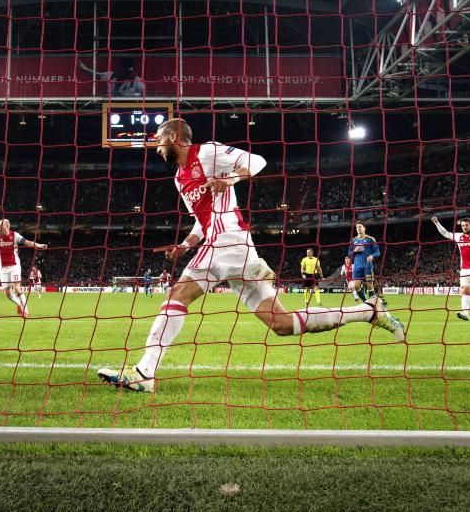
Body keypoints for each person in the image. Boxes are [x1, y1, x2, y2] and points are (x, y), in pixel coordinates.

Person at [97, 119, 405, 392]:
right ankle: (368, 311)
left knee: (177, 295)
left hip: (227, 239)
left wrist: (229, 179)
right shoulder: (180, 178)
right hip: (222, 243)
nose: (156, 144)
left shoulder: (206, 152)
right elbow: (201, 221)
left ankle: (144, 372)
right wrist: (185, 244)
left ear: (176, 137)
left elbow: (257, 161)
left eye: (159, 137)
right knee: (282, 324)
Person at [79, 58, 146, 98]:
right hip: (112, 104)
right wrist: (84, 68)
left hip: (128, 105)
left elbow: (144, 94)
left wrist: (84, 68)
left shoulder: (137, 81)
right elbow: (96, 75)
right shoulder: (111, 75)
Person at [347, 222, 380, 301]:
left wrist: (372, 256)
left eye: (360, 226)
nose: (358, 228)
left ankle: (372, 304)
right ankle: (366, 302)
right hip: (357, 265)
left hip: (367, 265)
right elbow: (349, 253)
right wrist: (354, 250)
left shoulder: (370, 239)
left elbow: (377, 252)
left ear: (364, 228)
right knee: (356, 286)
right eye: (357, 227)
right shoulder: (353, 240)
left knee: (369, 285)